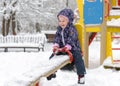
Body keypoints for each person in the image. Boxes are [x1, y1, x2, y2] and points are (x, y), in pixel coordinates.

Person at [52, 8, 86, 84]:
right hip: (63, 49)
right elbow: (57, 37)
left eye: (63, 21)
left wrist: (68, 46)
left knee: (78, 57)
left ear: (69, 20)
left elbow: (72, 38)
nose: (61, 23)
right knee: (53, 55)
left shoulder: (72, 29)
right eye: (60, 21)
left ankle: (81, 75)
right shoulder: (59, 29)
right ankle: (51, 71)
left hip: (73, 48)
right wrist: (56, 45)